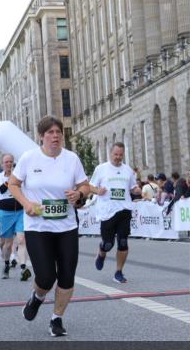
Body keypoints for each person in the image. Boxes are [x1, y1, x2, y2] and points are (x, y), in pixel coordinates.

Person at [10, 116, 92, 336]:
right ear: (41, 136)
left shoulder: (71, 159)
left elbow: (85, 185)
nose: (55, 136)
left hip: (66, 226)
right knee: (46, 277)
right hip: (38, 227)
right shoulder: (29, 158)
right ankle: (37, 297)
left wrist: (79, 193)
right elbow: (13, 184)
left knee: (67, 275)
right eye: (50, 132)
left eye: (58, 132)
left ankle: (56, 319)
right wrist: (26, 203)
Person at [90, 142, 141, 284]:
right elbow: (90, 186)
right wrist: (97, 191)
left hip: (124, 209)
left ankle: (119, 272)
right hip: (107, 211)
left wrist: (136, 190)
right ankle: (101, 253)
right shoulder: (101, 169)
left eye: (120, 155)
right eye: (115, 154)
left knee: (123, 242)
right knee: (108, 244)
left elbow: (132, 187)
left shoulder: (128, 170)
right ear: (110, 153)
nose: (118, 157)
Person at [0, 154, 31, 282]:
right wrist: (13, 177)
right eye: (6, 162)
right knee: (8, 244)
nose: (9, 164)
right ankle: (6, 264)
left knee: (21, 240)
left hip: (20, 211)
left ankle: (23, 268)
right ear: (2, 164)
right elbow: (2, 189)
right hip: (6, 213)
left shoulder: (20, 175)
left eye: (11, 162)